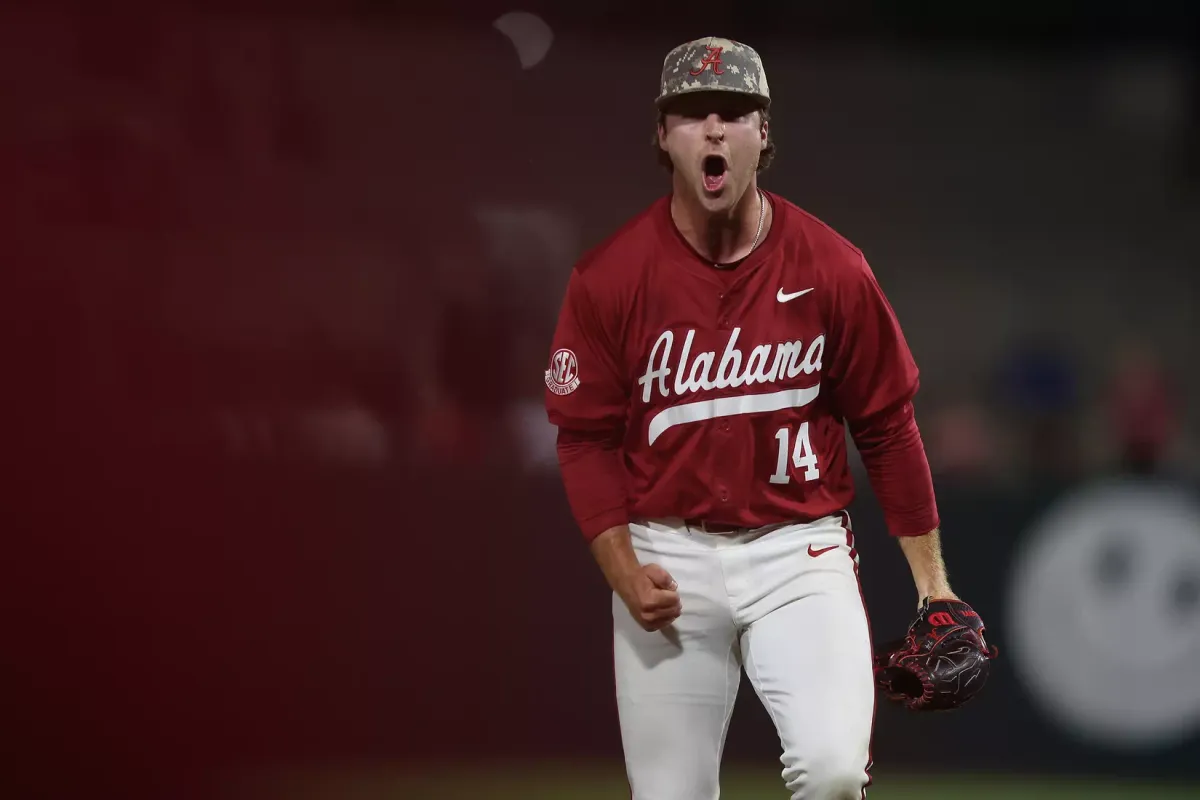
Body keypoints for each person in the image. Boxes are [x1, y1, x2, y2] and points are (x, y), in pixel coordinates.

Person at [544, 37, 975, 800]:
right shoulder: (609, 278)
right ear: (663, 136)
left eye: (734, 113)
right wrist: (620, 568)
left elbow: (887, 426)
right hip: (664, 552)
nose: (714, 130)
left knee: (835, 772)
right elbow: (582, 439)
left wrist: (933, 589)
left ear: (763, 135)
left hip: (798, 553)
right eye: (691, 114)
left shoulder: (833, 268)